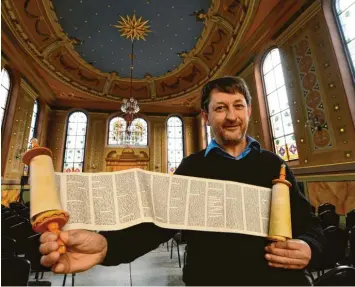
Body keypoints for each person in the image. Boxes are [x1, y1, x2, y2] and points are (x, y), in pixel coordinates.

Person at [39, 76, 325, 285]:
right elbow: (156, 225)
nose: (231, 116)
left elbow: (309, 225)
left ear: (248, 111)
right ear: (206, 116)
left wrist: (309, 247)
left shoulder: (275, 165)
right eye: (220, 108)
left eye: (238, 106)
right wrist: (106, 247)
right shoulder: (193, 167)